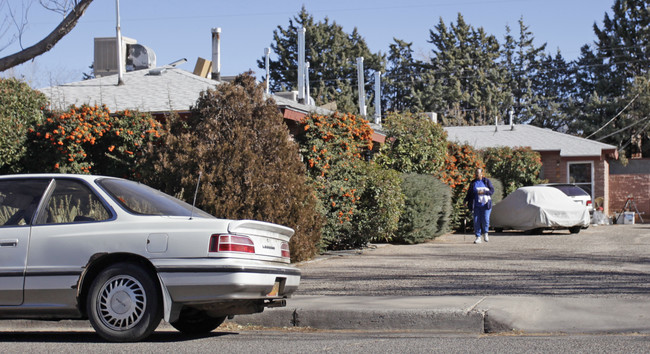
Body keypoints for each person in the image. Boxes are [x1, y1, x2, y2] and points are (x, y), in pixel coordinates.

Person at [464, 168, 495, 244]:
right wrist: (465, 200)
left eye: (478, 173)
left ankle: (485, 233)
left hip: (486, 204)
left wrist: (484, 192)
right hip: (476, 205)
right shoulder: (473, 183)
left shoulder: (486, 181)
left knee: (485, 219)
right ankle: (478, 237)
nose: (477, 174)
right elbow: (469, 193)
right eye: (476, 173)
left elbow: (492, 191)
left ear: (481, 173)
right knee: (476, 221)